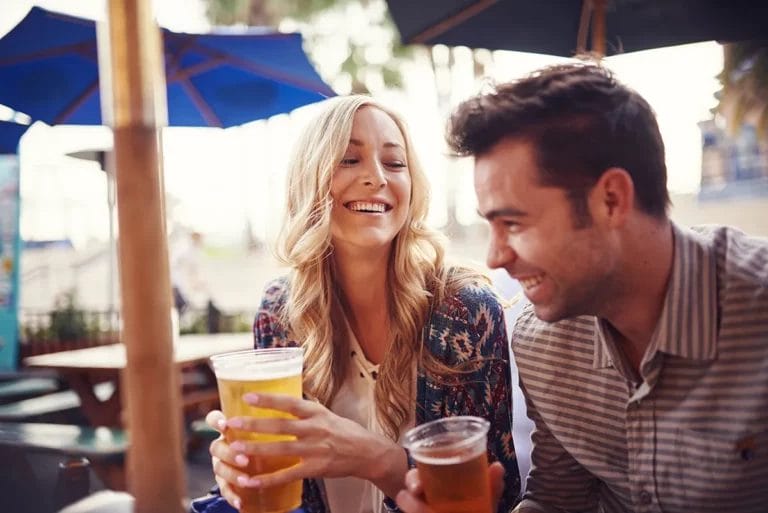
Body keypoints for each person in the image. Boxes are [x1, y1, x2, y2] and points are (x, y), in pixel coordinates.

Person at [396, 63, 768, 513]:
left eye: (513, 222)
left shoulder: (757, 312)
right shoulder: (542, 344)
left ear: (611, 199)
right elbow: (559, 499)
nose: (494, 257)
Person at [192, 95, 520, 513]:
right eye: (349, 159)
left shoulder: (462, 310)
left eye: (395, 163)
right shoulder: (280, 310)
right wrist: (239, 476)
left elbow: (495, 495)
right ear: (309, 179)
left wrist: (373, 458)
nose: (376, 177)